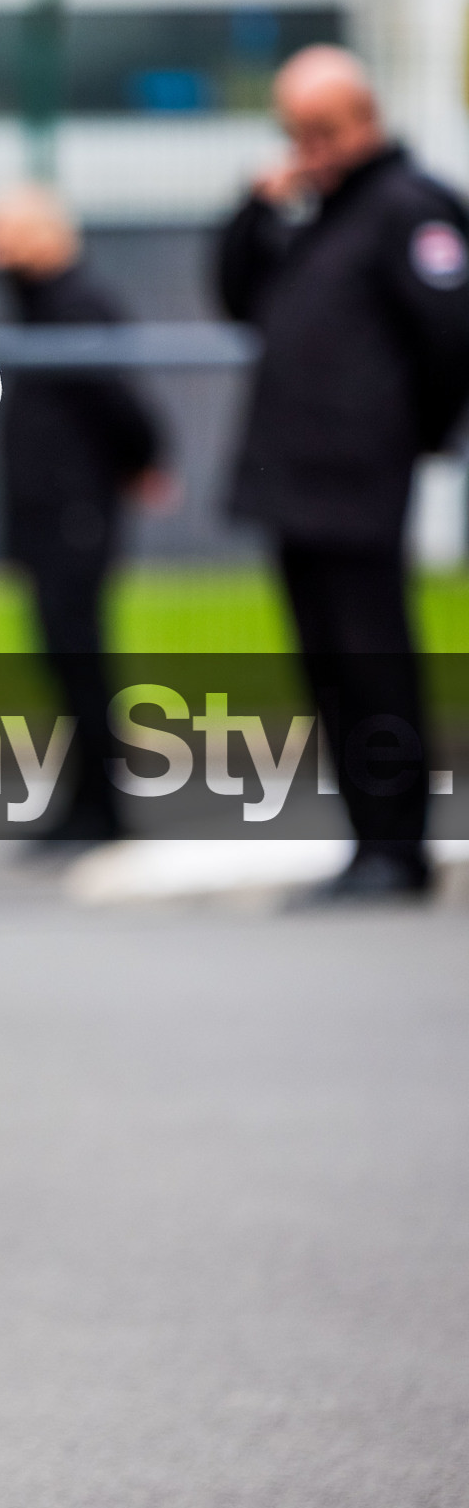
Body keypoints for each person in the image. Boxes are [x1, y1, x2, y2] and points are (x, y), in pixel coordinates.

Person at [220, 45, 469, 899]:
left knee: (373, 664)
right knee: (331, 668)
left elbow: (450, 342)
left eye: (321, 129)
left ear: (364, 118)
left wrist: (410, 435)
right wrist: (254, 211)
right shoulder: (319, 212)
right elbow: (239, 296)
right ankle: (371, 841)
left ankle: (398, 848)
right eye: (295, 131)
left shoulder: (409, 207)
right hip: (300, 483)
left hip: (360, 478)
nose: (307, 147)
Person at [0, 183, 173, 840]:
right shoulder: (40, 306)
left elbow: (122, 402)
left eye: (0, 232)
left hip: (76, 512)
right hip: (50, 511)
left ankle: (102, 807)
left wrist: (145, 460)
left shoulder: (77, 303)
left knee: (80, 654)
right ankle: (85, 801)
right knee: (64, 655)